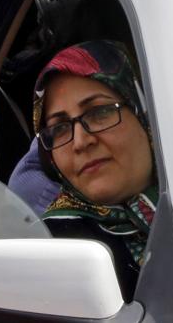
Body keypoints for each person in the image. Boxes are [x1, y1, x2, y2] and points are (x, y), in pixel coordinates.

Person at [32, 40, 158, 299]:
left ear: (145, 114)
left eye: (99, 112)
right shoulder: (52, 250)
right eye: (60, 128)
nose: (80, 141)